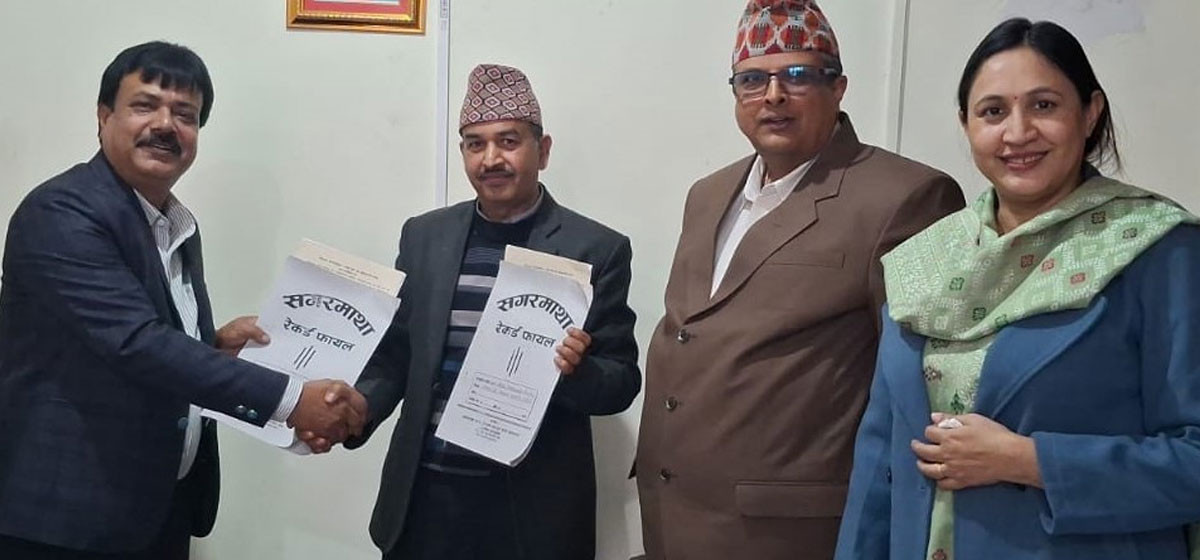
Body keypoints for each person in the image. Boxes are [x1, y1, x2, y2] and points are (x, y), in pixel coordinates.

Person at [835, 17, 1200, 560]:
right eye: (993, 112)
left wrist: (1030, 462)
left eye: (1044, 105)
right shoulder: (923, 263)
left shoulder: (1155, 249)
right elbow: (877, 468)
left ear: (1090, 112)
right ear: (966, 124)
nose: (1018, 132)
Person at [0, 41, 366, 560]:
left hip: (156, 509)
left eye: (185, 114)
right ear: (104, 116)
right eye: (144, 105)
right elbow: (137, 343)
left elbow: (114, 347)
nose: (165, 125)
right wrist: (292, 400)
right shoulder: (62, 212)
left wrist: (212, 346)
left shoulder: (174, 225)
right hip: (65, 518)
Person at [634, 1, 964, 558]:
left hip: (789, 532)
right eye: (752, 79)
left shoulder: (905, 197)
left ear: (839, 88)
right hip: (672, 510)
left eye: (798, 75)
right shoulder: (707, 195)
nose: (773, 95)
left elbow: (920, 389)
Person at [305, 63, 641, 560]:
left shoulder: (595, 249)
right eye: (474, 144)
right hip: (425, 499)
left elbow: (621, 382)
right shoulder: (424, 236)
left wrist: (577, 370)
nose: (491, 159)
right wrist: (356, 411)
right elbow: (397, 355)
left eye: (509, 141)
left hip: (529, 511)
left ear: (543, 150)